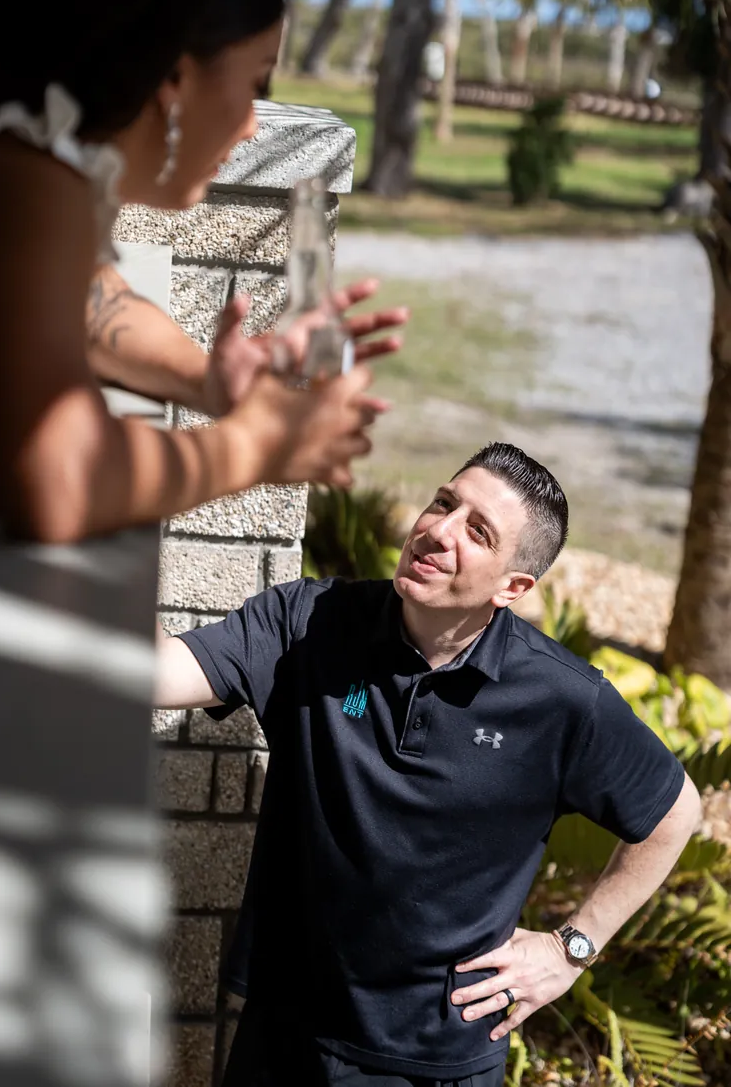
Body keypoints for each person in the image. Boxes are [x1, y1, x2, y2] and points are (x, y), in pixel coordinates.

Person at [157, 442, 702, 1087]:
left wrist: (572, 949)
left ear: (513, 586)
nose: (438, 531)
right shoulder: (307, 622)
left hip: (437, 1064)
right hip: (283, 1035)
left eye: (477, 531)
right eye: (443, 502)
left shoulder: (563, 699)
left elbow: (677, 812)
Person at [0, 0, 404, 550]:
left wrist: (210, 380)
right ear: (173, 78)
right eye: (256, 84)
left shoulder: (7, 158)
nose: (250, 127)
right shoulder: (26, 179)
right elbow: (56, 480)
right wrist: (257, 444)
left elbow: (91, 305)